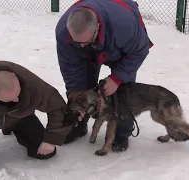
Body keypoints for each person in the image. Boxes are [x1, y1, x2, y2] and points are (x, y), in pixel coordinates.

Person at [55, 0, 153, 151]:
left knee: (123, 91)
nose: (81, 45)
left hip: (118, 44)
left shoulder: (124, 25)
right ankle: (79, 124)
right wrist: (77, 97)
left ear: (97, 28)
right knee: (82, 89)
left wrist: (117, 78)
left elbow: (139, 51)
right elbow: (71, 70)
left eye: (85, 41)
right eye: (77, 42)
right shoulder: (64, 32)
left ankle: (122, 132)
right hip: (94, 43)